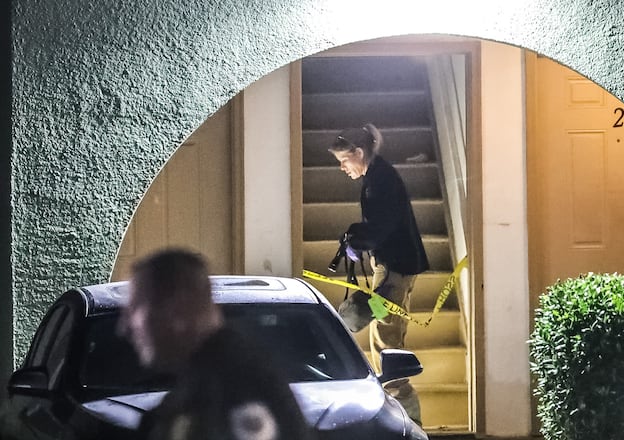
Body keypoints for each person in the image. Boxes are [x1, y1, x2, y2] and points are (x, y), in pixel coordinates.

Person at [117, 248, 313, 440]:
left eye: (135, 308)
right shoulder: (210, 381)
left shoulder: (234, 388)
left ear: (178, 307)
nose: (124, 328)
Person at [328, 123, 429, 425]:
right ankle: (402, 418)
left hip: (393, 271)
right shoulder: (379, 176)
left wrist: (358, 242)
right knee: (385, 333)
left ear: (359, 153)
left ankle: (409, 424)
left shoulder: (379, 182)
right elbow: (383, 223)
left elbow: (382, 226)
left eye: (344, 160)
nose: (342, 168)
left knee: (387, 345)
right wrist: (357, 238)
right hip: (396, 267)